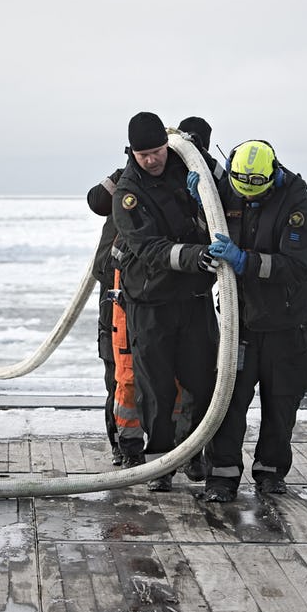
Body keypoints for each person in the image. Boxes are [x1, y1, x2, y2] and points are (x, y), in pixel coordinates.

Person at [199, 139, 307, 502]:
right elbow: (207, 222)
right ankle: (221, 478)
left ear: (273, 175)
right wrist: (197, 198)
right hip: (244, 321)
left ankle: (270, 473)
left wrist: (244, 261)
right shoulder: (228, 191)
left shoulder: (298, 207)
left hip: (288, 324)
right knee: (228, 401)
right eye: (242, 192)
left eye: (257, 192)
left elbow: (297, 265)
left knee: (281, 402)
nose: (248, 199)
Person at [112, 112, 220, 492]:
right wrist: (194, 256)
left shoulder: (186, 167)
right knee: (155, 389)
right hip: (151, 303)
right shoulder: (127, 193)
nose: (152, 160)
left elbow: (225, 196)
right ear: (132, 153)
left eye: (157, 152)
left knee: (202, 381)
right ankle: (160, 467)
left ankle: (194, 453)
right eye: (143, 155)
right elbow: (148, 248)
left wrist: (206, 184)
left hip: (192, 300)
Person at [87, 169, 126, 464]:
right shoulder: (127, 179)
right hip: (113, 288)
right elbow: (97, 201)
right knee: (116, 373)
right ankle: (122, 445)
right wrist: (124, 173)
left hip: (160, 292)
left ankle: (177, 450)